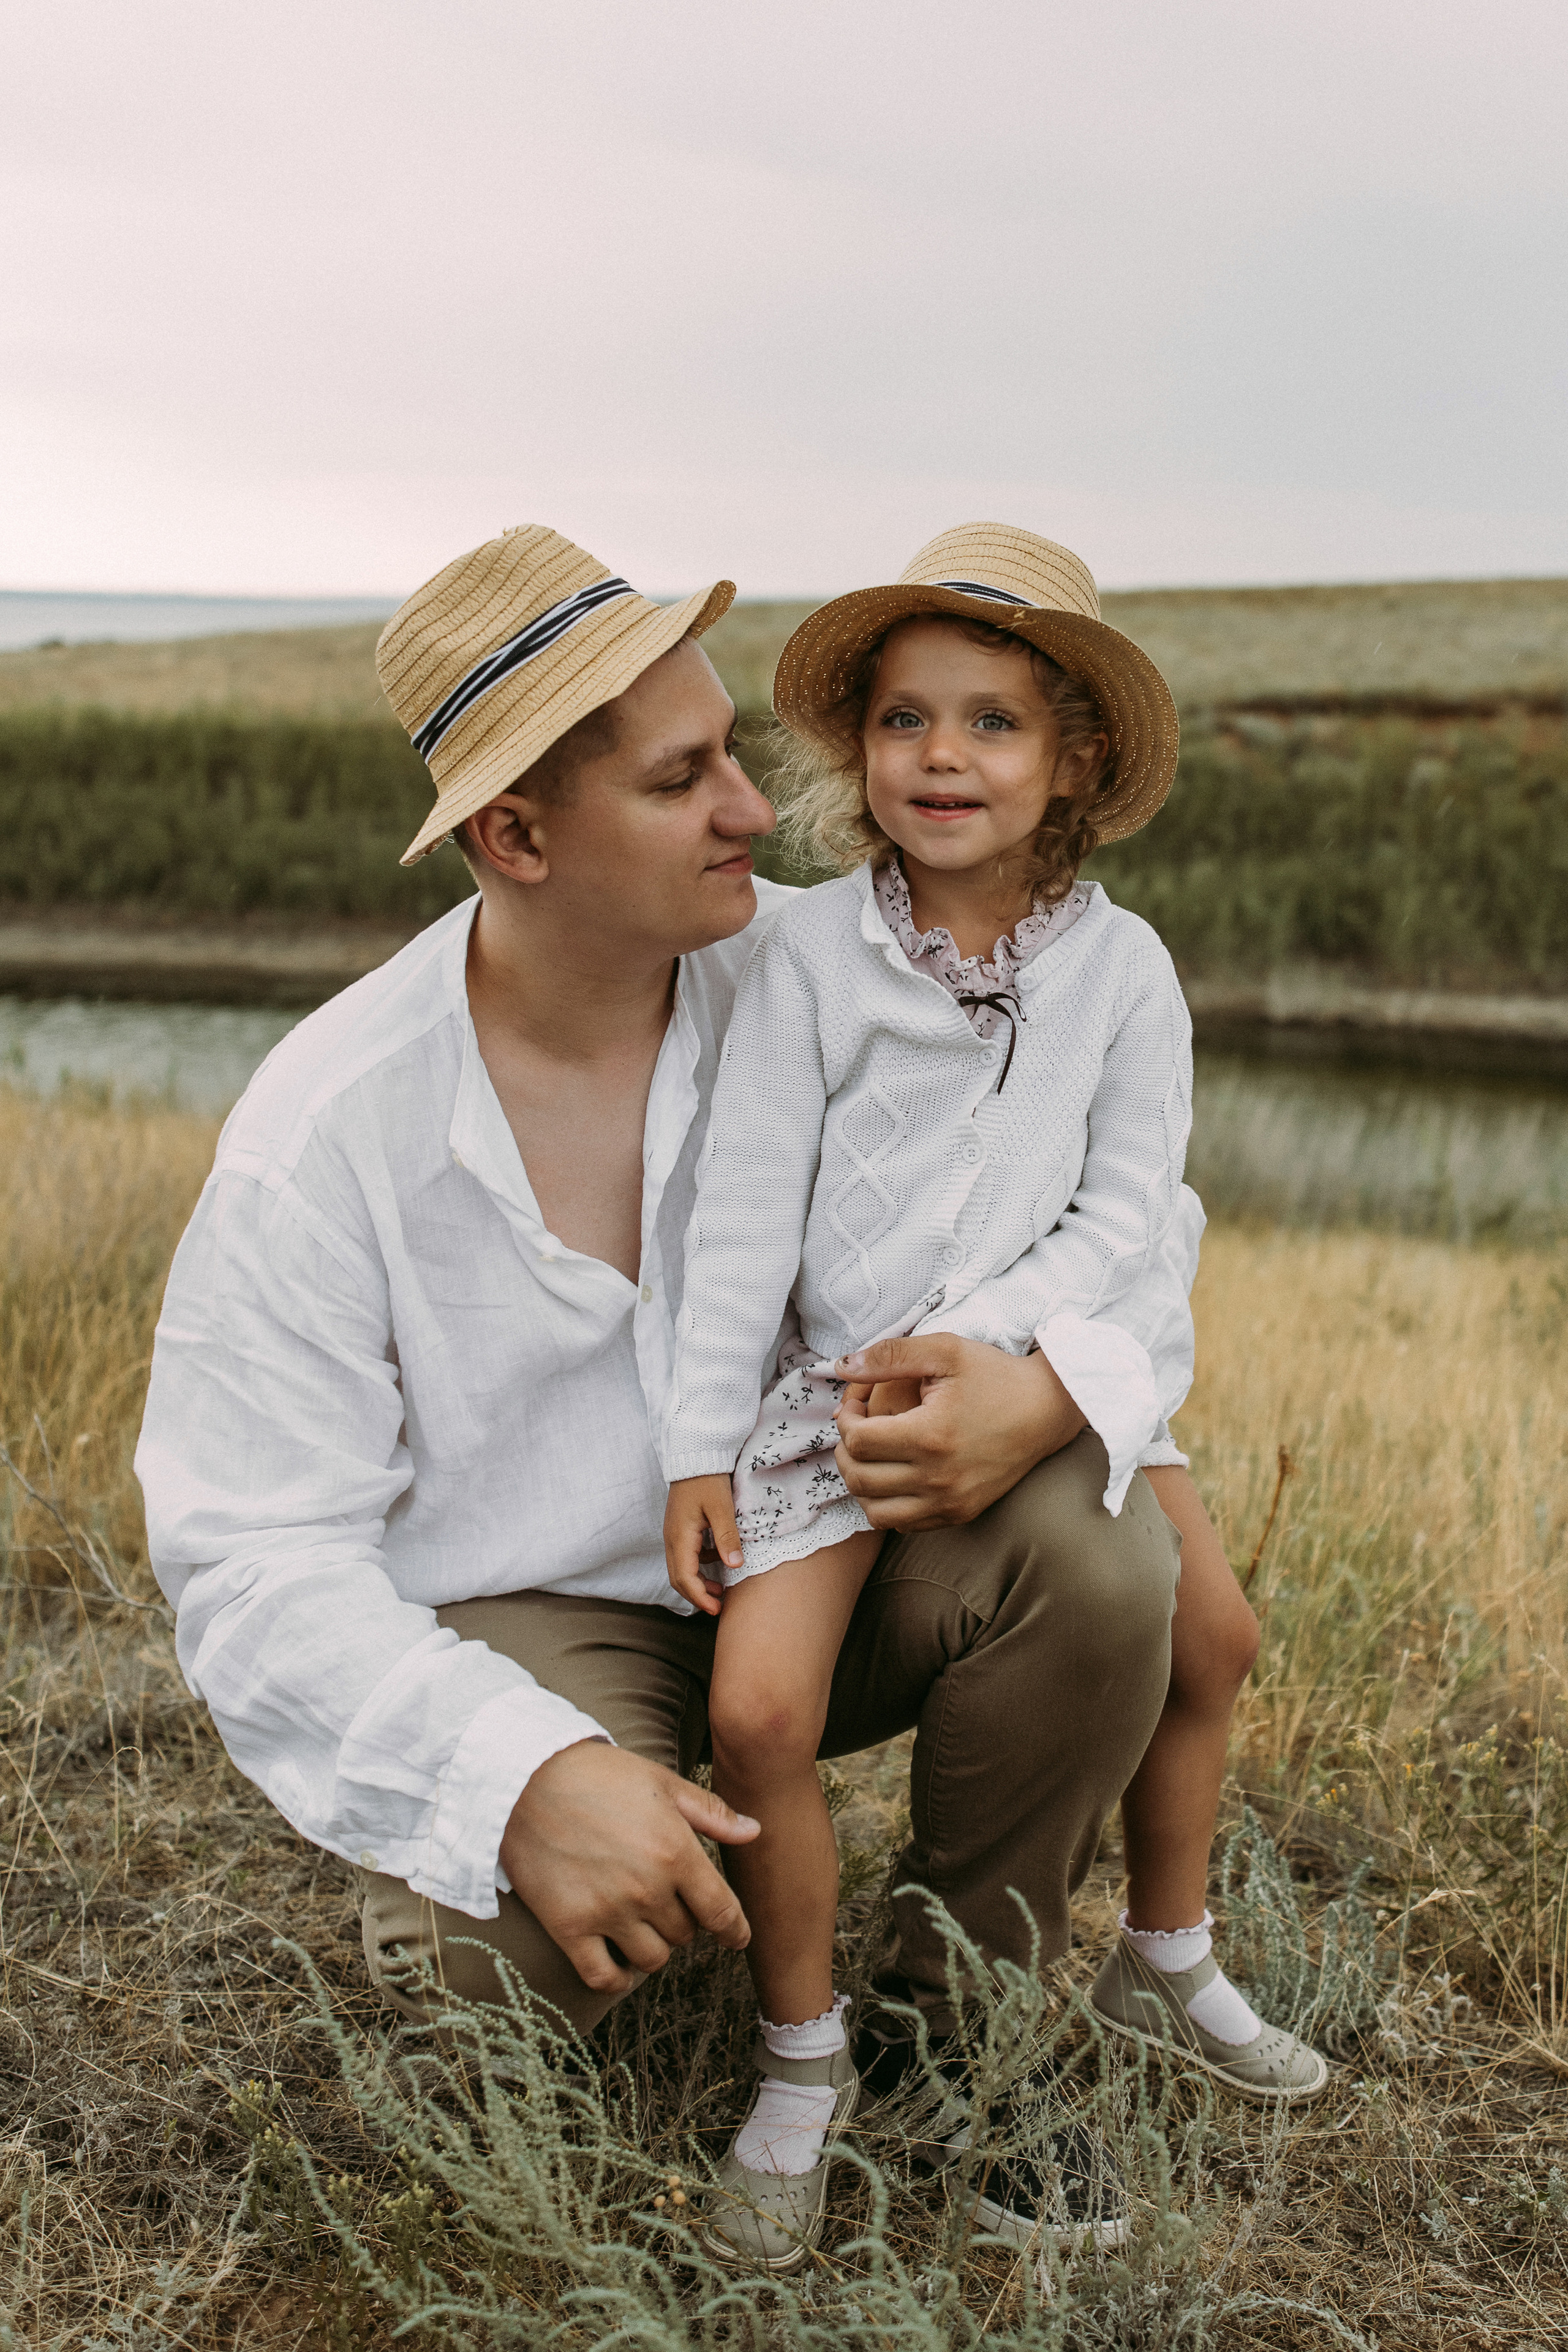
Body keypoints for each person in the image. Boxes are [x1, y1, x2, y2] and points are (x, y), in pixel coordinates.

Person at [135, 525, 1216, 2282]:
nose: (757, 812)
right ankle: (653, 1877)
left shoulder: (838, 964)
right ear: (518, 837)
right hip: (540, 1620)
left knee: (1099, 1562)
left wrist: (1039, 1393)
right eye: (683, 778)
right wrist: (524, 1772)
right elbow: (249, 1560)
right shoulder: (324, 1135)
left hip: (829, 1554)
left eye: (734, 750)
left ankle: (956, 2033)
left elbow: (1133, 1204)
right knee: (499, 1986)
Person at [662, 525, 1327, 2266]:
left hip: (1056, 1363)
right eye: (904, 720)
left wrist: (997, 1355)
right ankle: (802, 2060)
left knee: (1213, 1638)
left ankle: (1161, 1956)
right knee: (758, 1716)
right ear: (858, 748)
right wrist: (698, 1442)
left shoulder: (1127, 972)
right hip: (833, 1400)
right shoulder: (809, 959)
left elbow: (1128, 1217)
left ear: (1075, 763)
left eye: (992, 724)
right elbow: (743, 1213)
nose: (941, 758)